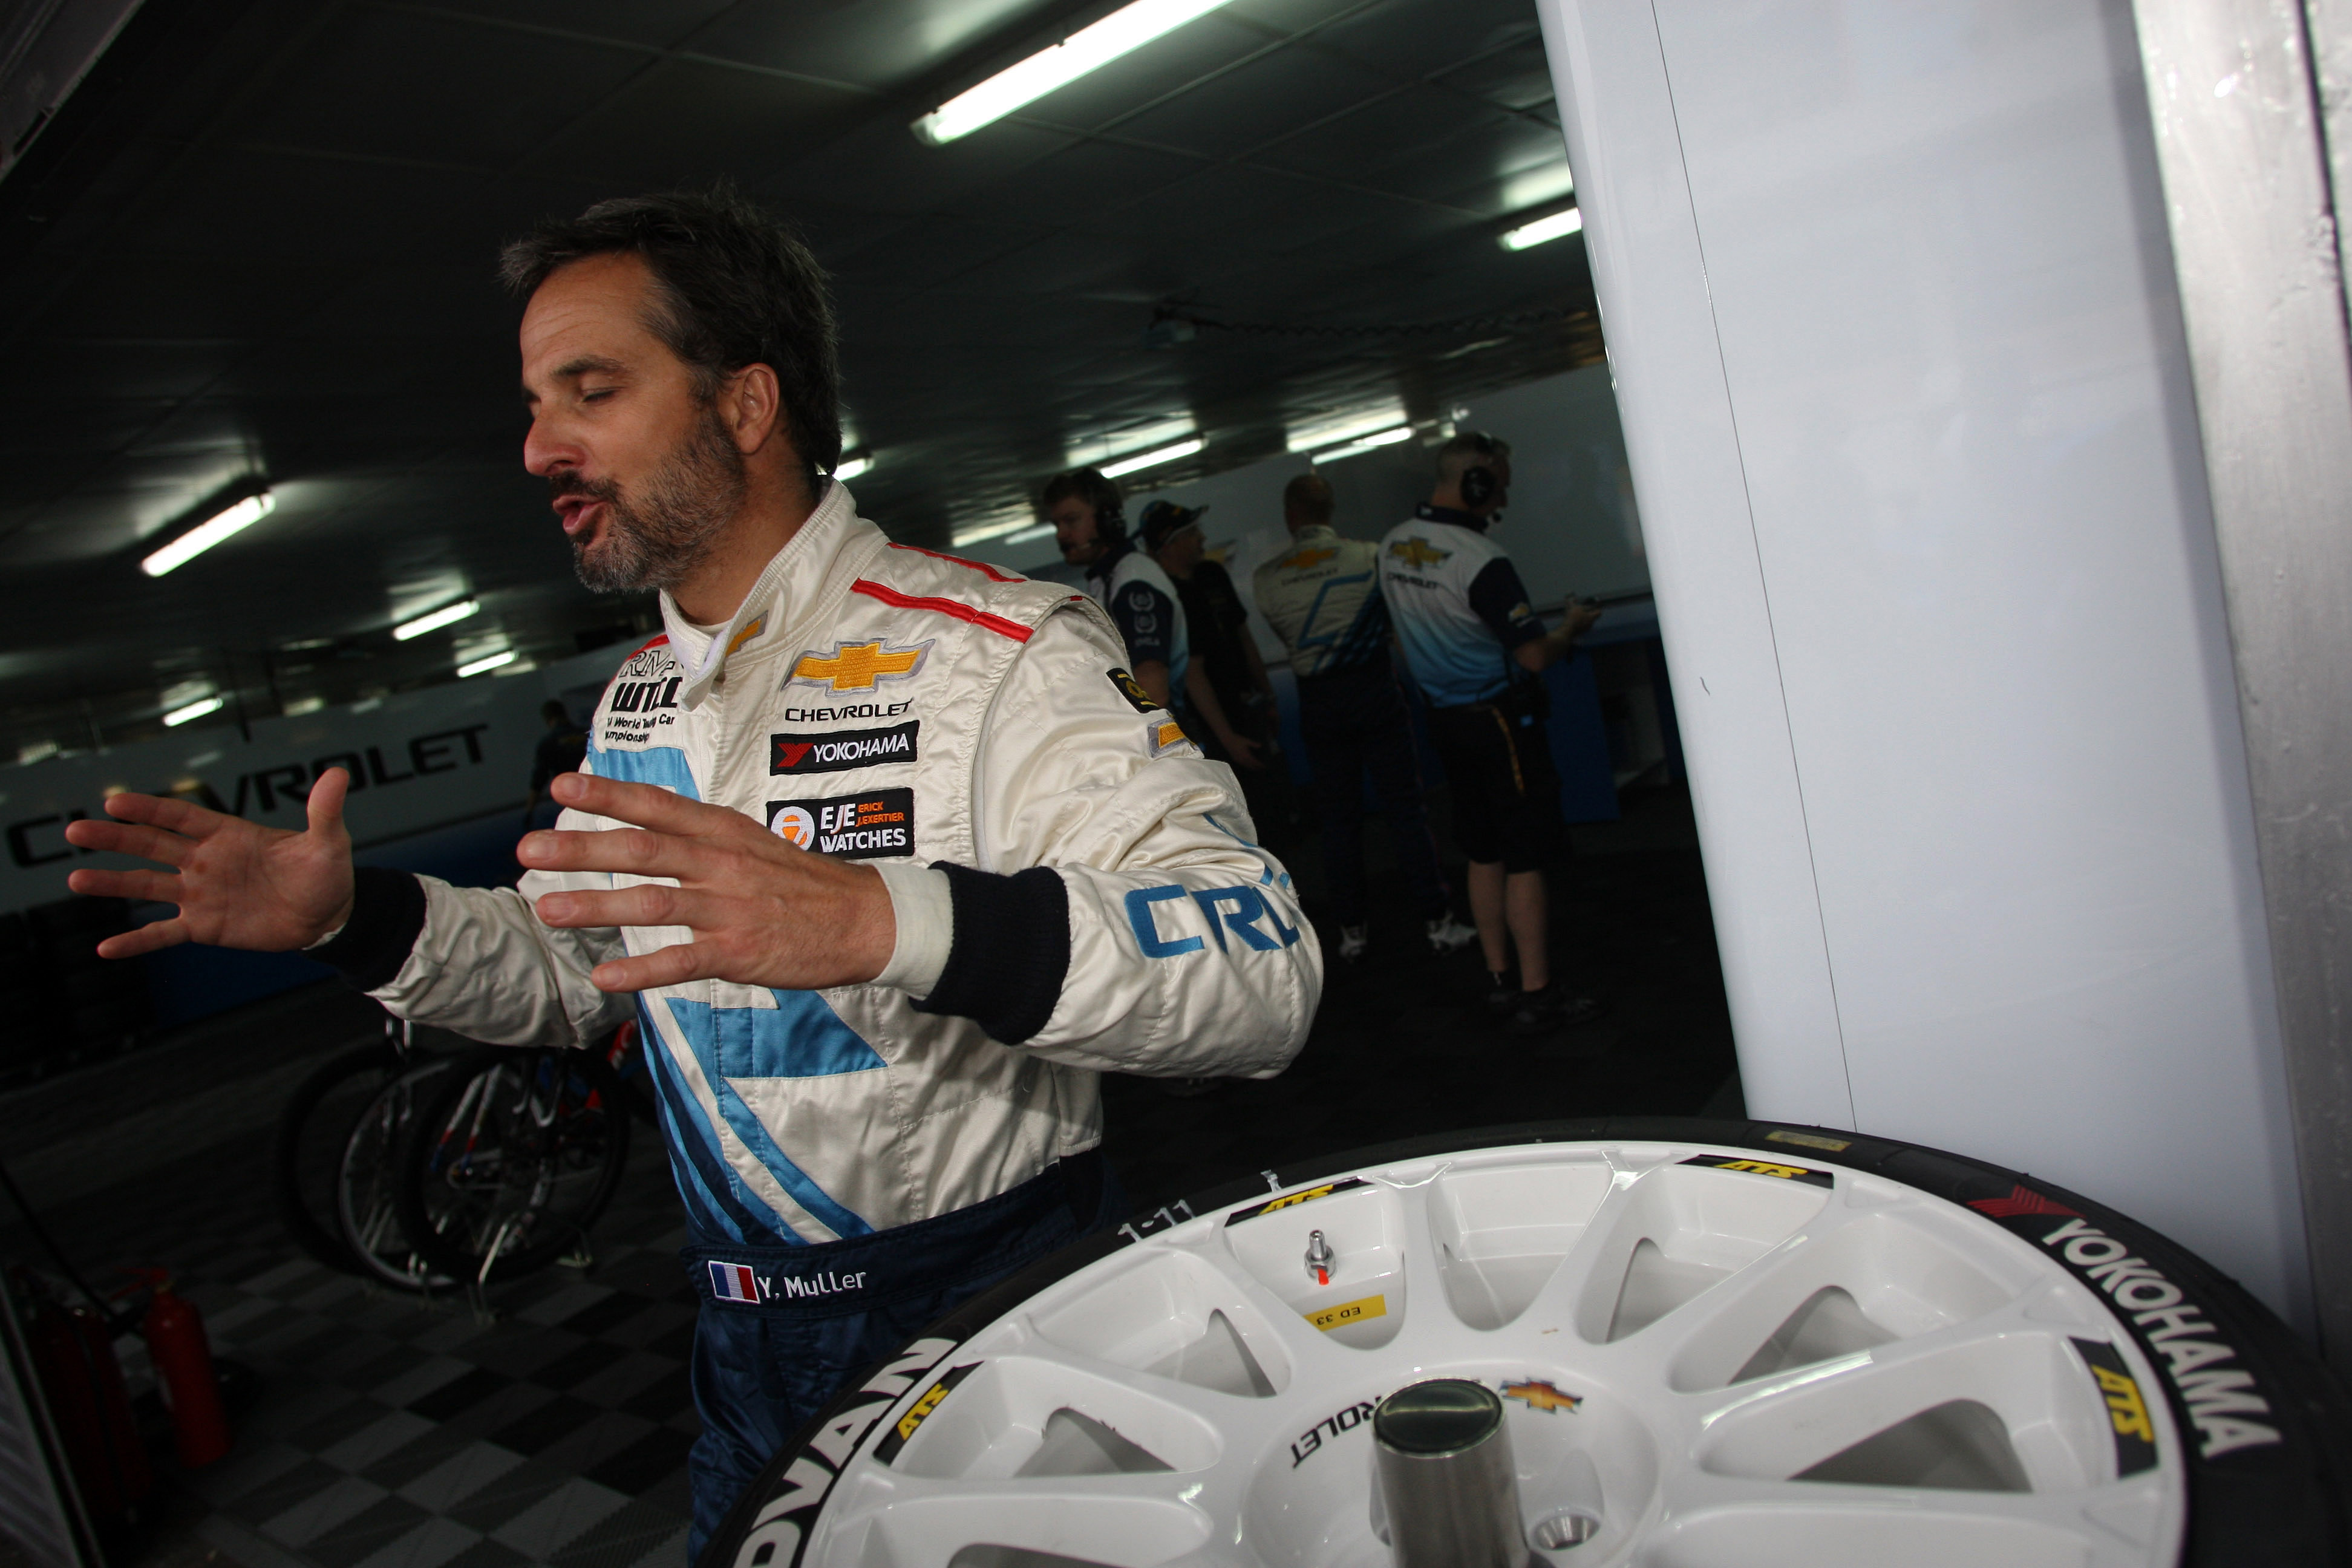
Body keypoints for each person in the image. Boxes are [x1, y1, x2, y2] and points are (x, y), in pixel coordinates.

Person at [63, 188, 1320, 1554]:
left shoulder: (995, 651)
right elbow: (576, 972)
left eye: (591, 390)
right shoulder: (639, 701)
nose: (538, 447)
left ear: (746, 403)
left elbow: (1261, 967)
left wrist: (886, 920)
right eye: (535, 404)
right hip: (739, 1339)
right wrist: (352, 917)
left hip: (993, 1313)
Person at [1377, 431, 1602, 1033]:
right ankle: (1539, 990)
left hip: (1444, 721)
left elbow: (1397, 635)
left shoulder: (1393, 545)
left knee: (1482, 849)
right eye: (1499, 486)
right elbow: (1533, 655)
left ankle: (1500, 979)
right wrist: (1572, 628)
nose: (1503, 499)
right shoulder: (1481, 560)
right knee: (1525, 854)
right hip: (1500, 722)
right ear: (1475, 482)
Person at [1254, 474, 1475, 962]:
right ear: (1330, 510)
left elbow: (1284, 630)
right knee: (1406, 810)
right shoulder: (1370, 556)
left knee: (1338, 822)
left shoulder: (1266, 578)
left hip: (1319, 701)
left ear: (1290, 516)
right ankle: (1438, 921)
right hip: (1375, 690)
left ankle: (1352, 931)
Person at [1138, 500, 1290, 851]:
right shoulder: (1165, 595)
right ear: (1170, 543)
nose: (1202, 539)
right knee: (1243, 818)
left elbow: (1244, 636)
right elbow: (1194, 672)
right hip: (1211, 724)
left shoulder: (1212, 576)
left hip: (1248, 706)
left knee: (1276, 804)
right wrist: (1228, 739)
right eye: (1192, 533)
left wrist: (1268, 695)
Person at [1045, 467, 1187, 713]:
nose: (1061, 534)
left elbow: (1154, 691)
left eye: (1071, 520)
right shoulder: (1110, 578)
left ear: (1107, 520)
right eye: (1057, 524)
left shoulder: (1132, 582)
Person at [523, 697, 588, 826]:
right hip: (599, 793)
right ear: (565, 713)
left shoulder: (549, 743)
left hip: (573, 799)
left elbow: (539, 780)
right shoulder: (588, 734)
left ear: (547, 719)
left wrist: (529, 811)